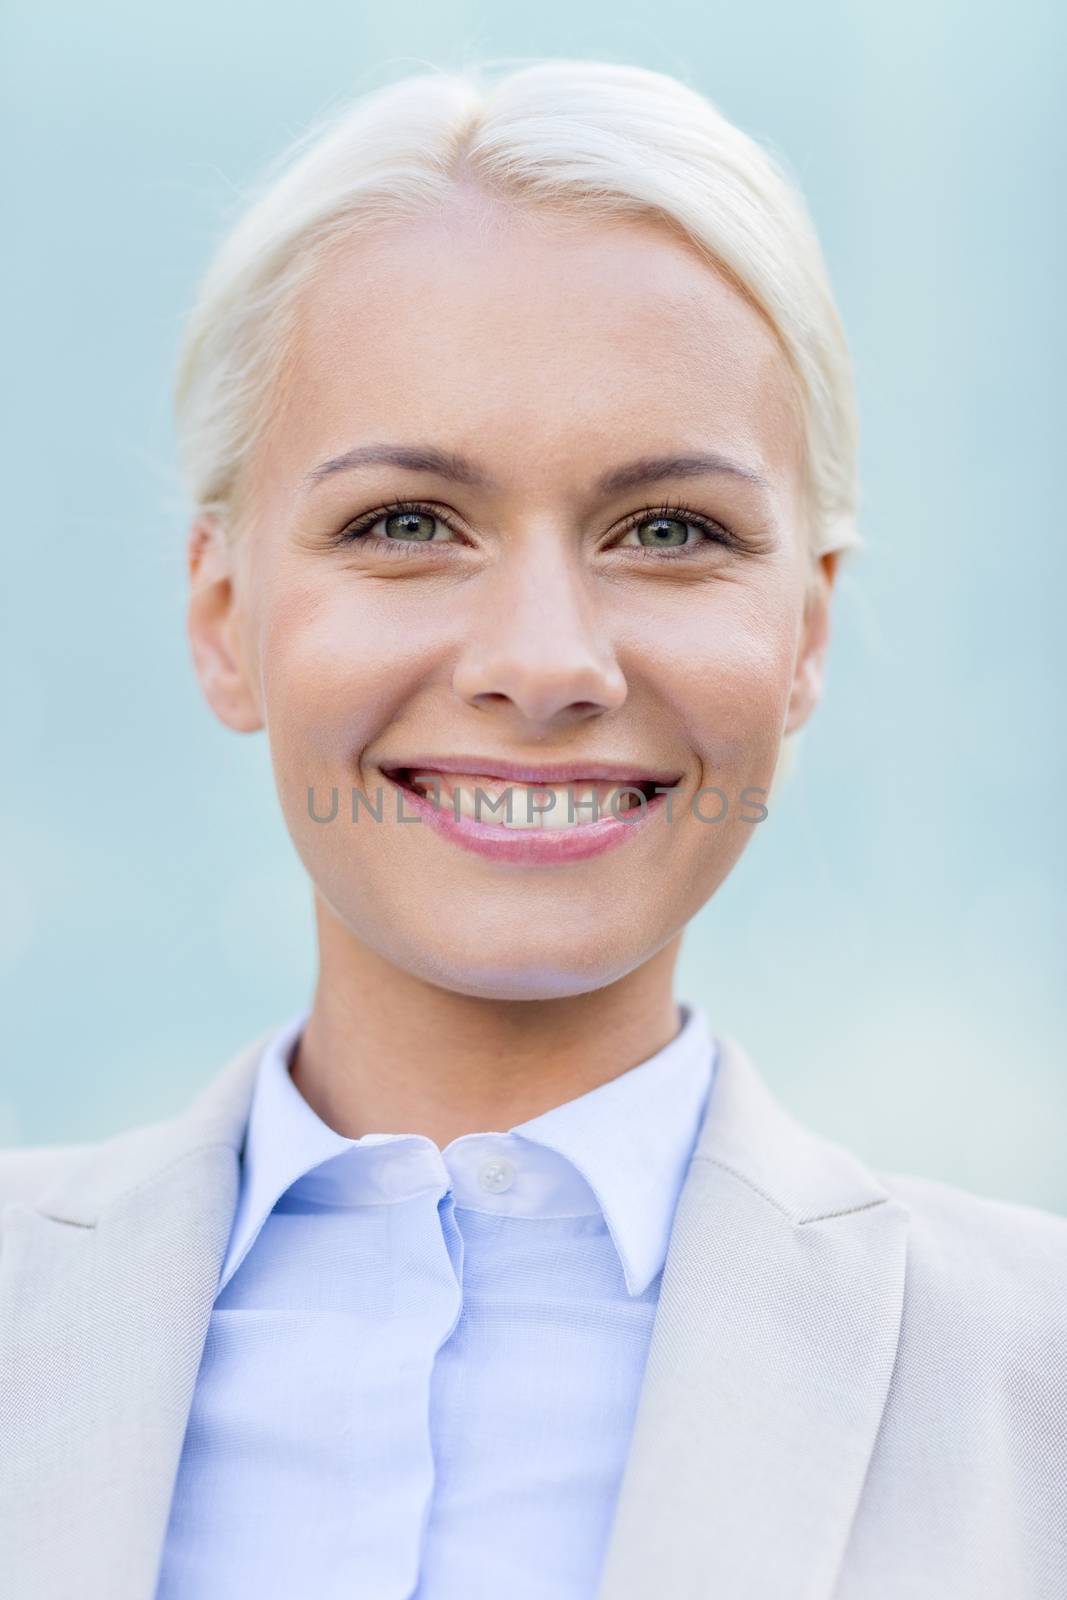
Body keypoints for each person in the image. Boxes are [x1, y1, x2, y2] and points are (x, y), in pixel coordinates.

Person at [1, 57, 1063, 1600]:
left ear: (807, 634)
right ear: (224, 616)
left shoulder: (1027, 1390)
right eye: (406, 525)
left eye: (670, 531)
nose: (547, 661)